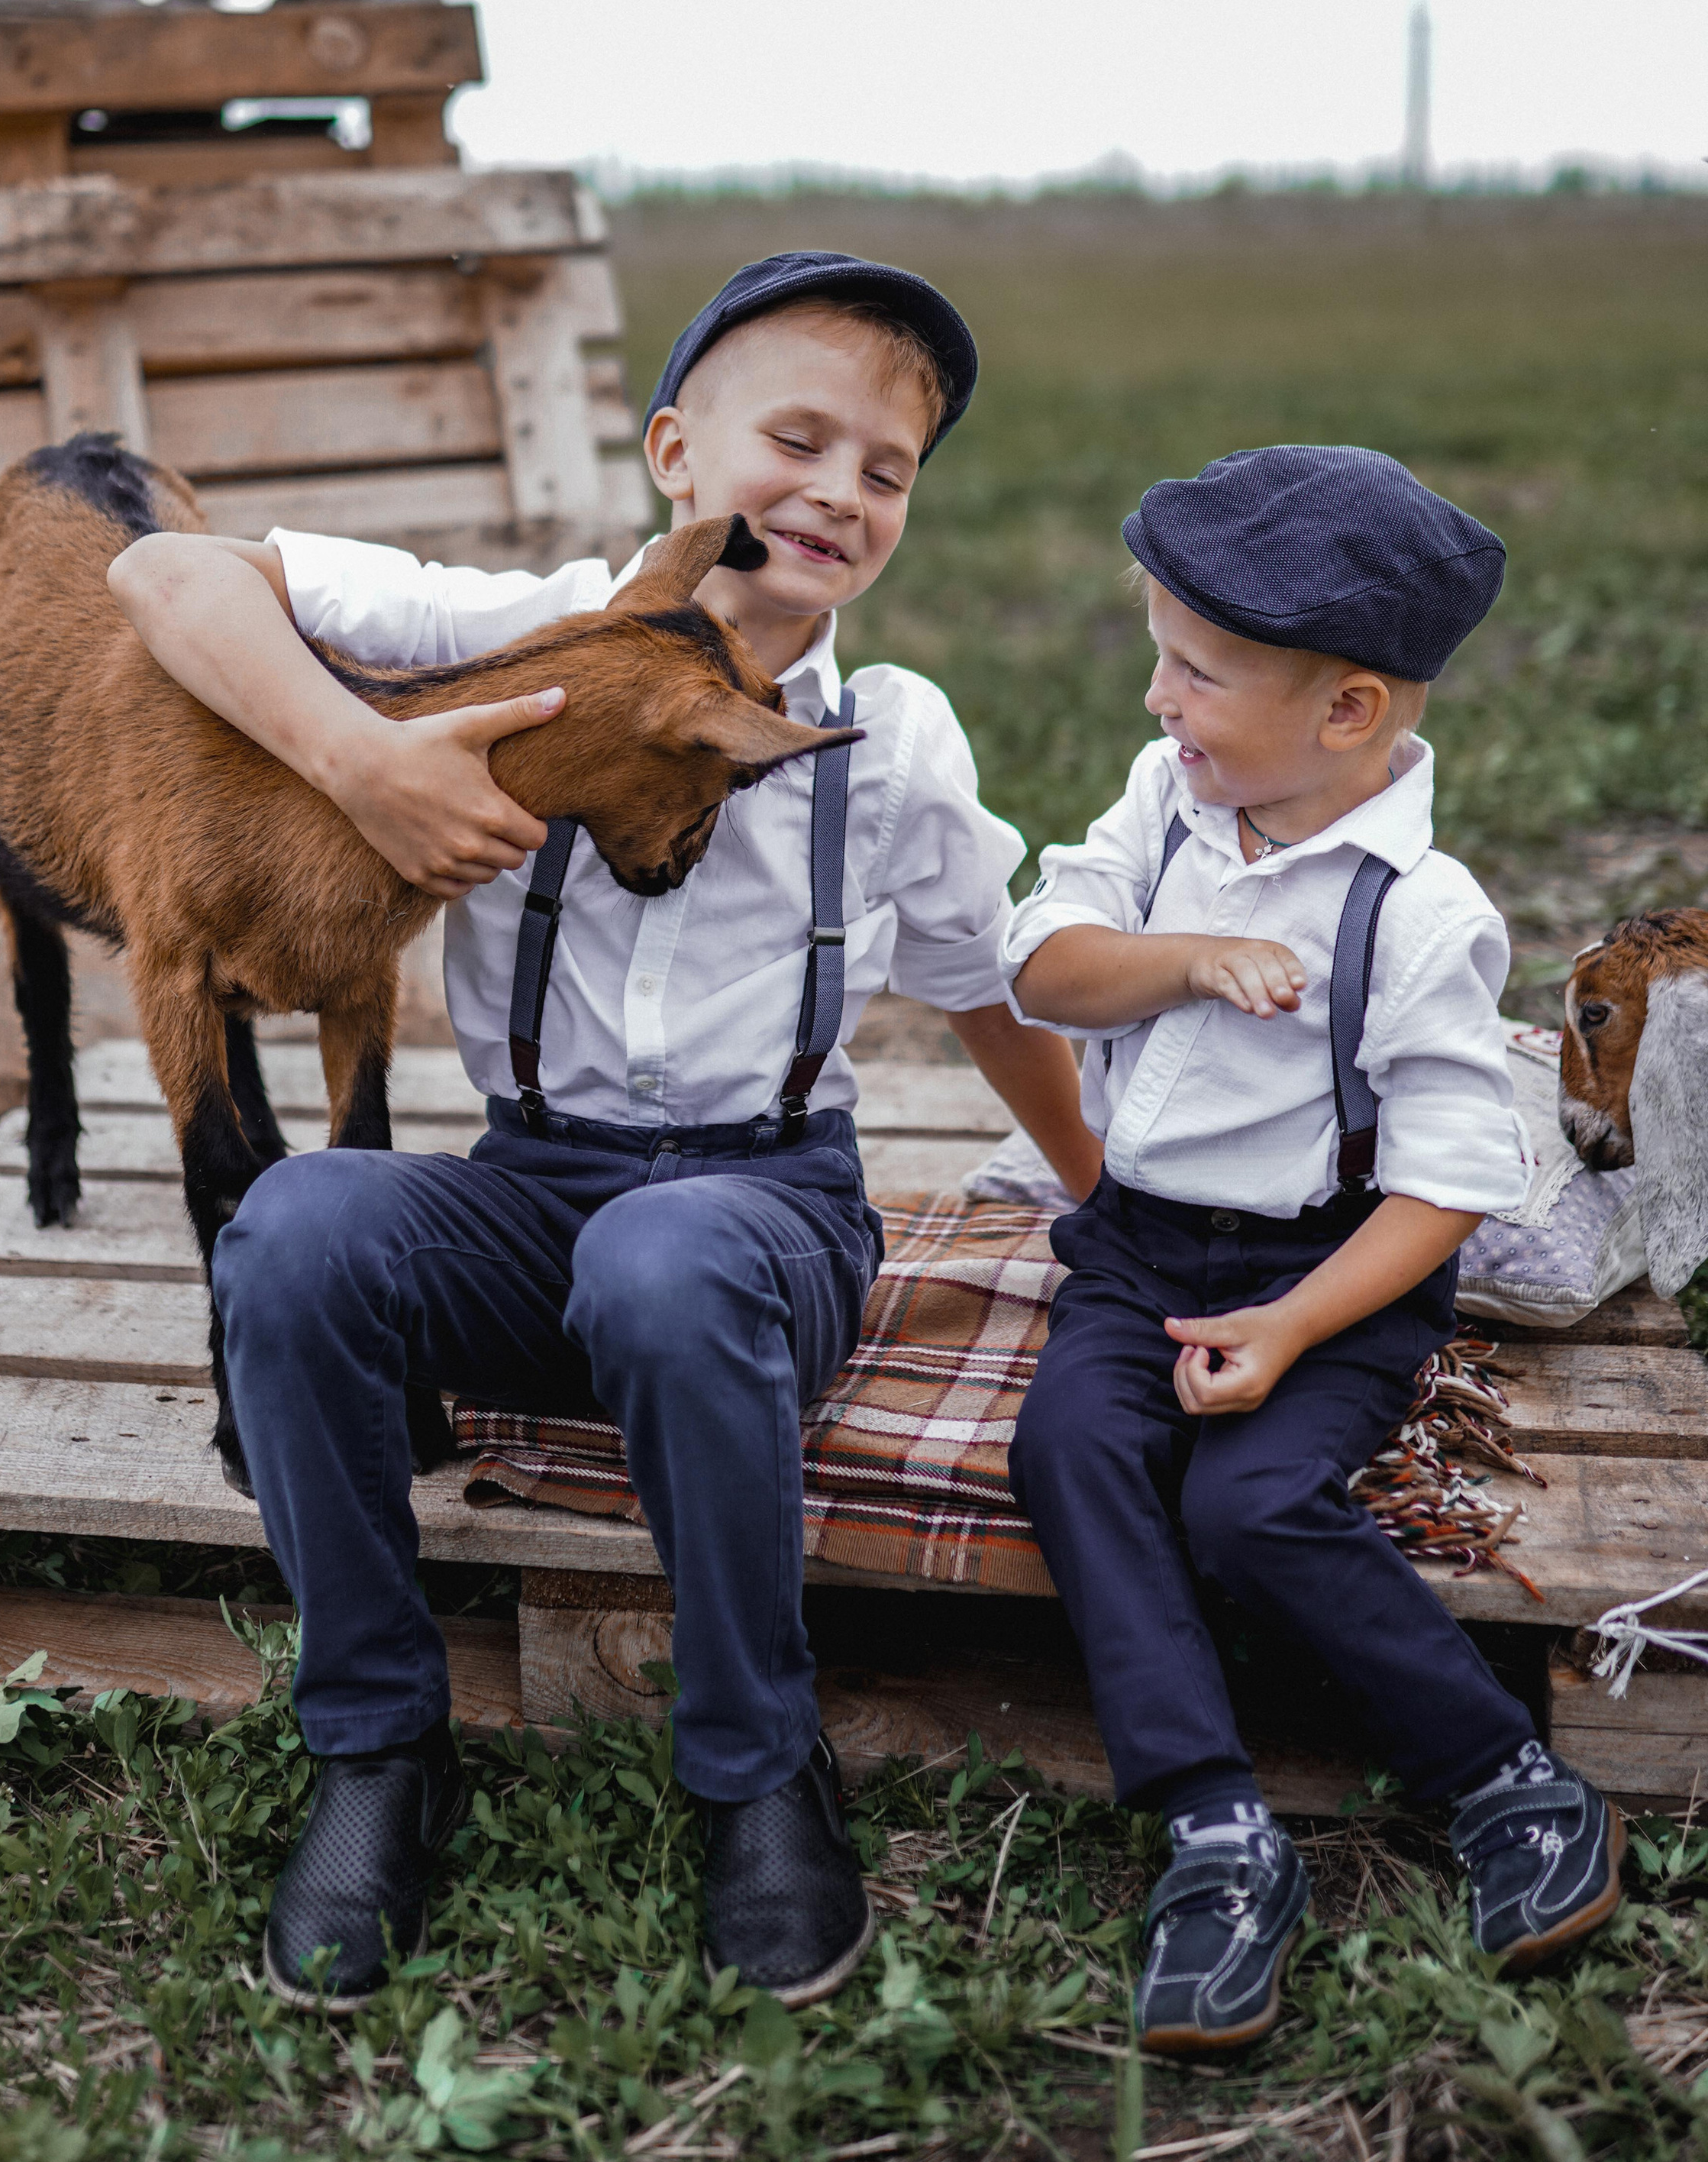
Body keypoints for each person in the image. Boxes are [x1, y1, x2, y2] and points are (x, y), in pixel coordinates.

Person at [110, 249, 1100, 2013]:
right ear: (670, 450)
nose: (836, 491)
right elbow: (161, 566)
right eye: (793, 438)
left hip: (763, 1216)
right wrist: (360, 759)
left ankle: (752, 1767)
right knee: (296, 1227)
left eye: (884, 472)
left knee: (667, 1258)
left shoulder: (892, 739)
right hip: (529, 1187)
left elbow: (986, 990)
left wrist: (1108, 1206)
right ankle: (378, 1749)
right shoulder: (519, 631)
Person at [1003, 444, 1622, 2057]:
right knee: (1069, 1445)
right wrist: (1181, 958)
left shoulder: (1419, 914)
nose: (1155, 699)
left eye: (1195, 673)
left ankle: (1497, 1776)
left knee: (1250, 1501)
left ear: (1347, 711)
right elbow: (1043, 972)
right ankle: (1214, 1832)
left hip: (1333, 1270)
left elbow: (1443, 1188)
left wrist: (1285, 1328)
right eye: (1160, 655)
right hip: (1138, 1252)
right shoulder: (1163, 809)